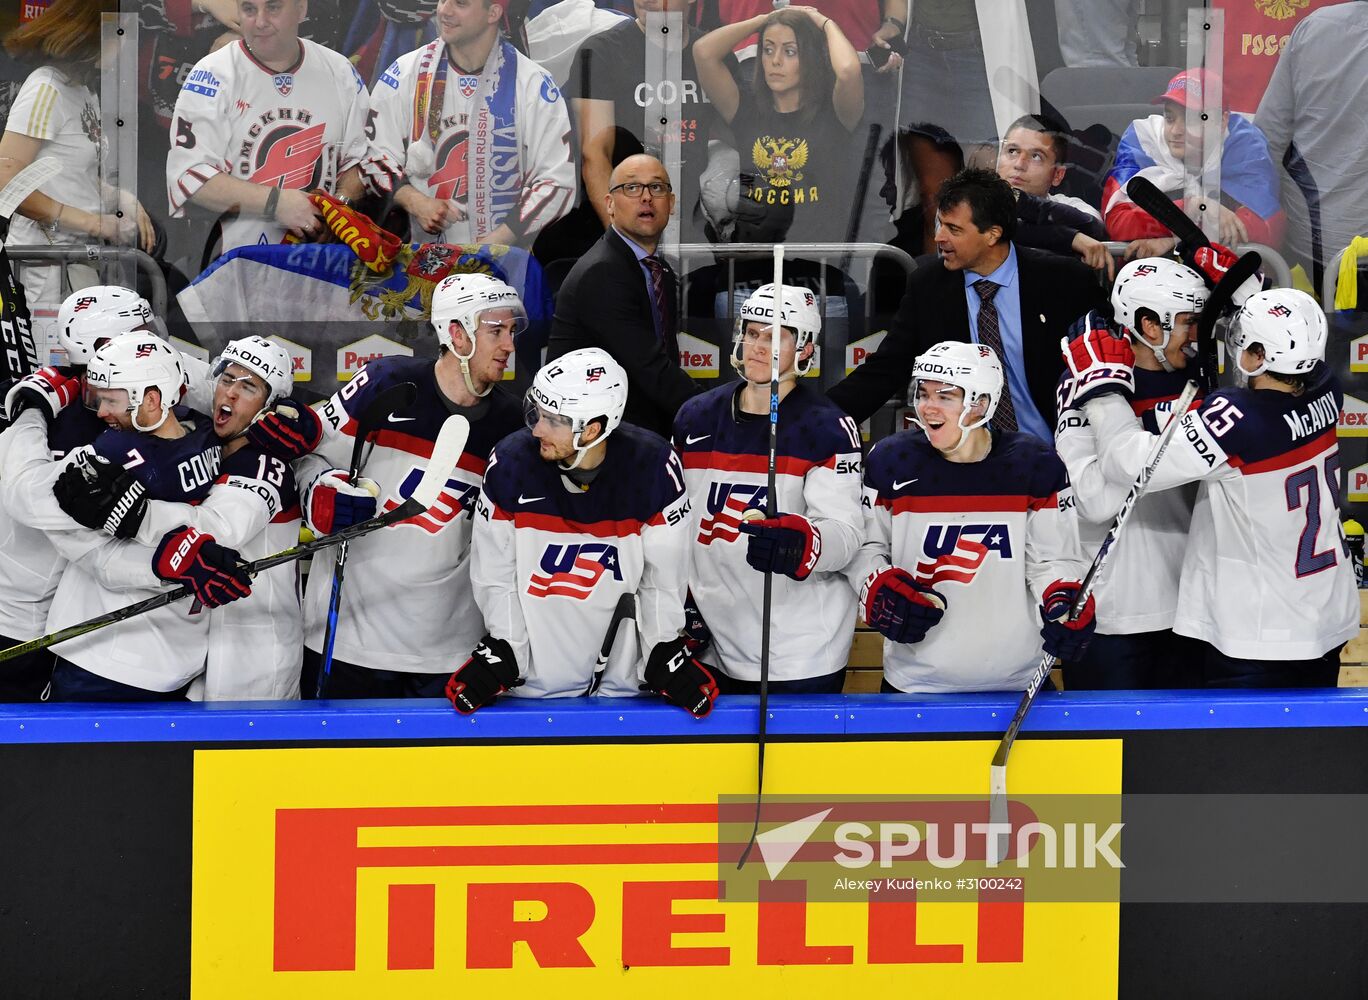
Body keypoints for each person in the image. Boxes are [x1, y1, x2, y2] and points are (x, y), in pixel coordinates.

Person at [1061, 287, 1357, 687]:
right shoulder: (1327, 388)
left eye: (1244, 341)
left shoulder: (1238, 419)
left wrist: (1104, 390)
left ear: (1257, 357)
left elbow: (1125, 462)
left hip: (1261, 635)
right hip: (1326, 617)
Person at [294, 271, 524, 698]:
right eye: (496, 331)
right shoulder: (386, 384)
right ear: (457, 334)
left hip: (449, 652)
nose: (509, 345)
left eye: (512, 331)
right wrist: (319, 492)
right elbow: (307, 454)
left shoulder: (513, 426)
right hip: (348, 641)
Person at [448, 348, 714, 716]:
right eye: (537, 413)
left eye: (553, 420)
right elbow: (495, 575)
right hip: (530, 690)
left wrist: (661, 648)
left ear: (592, 429)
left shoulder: (653, 468)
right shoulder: (510, 463)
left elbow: (662, 581)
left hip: (623, 693)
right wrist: (507, 647)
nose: (537, 429)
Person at [1, 333, 252, 701]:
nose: (101, 413)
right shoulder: (203, 433)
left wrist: (32, 407)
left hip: (98, 655)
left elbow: (23, 494)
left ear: (150, 399)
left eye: (111, 400)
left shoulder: (107, 461)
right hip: (181, 659)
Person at [52, 336, 305, 700]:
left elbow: (219, 529)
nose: (231, 393)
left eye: (248, 387)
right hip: (188, 656)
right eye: (227, 379)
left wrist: (137, 513)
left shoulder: (267, 466)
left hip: (253, 656)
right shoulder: (198, 433)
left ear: (271, 406)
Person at [845, 340, 1094, 694]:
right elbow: (865, 547)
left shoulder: (1035, 464)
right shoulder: (891, 461)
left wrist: (1061, 597)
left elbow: (1053, 560)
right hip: (914, 683)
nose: (928, 407)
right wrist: (876, 583)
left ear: (981, 403)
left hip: (1019, 683)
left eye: (945, 396)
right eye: (923, 393)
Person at [673, 284, 864, 694]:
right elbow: (677, 524)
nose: (758, 346)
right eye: (752, 332)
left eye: (775, 337)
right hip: (712, 642)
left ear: (806, 348)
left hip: (798, 652)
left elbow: (847, 536)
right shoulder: (695, 418)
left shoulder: (827, 427)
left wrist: (805, 541)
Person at [828, 168, 1105, 440]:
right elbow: (885, 370)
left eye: (954, 229)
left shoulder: (1065, 282)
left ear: (992, 234)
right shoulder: (928, 286)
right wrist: (818, 420)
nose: (939, 238)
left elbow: (1106, 364)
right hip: (964, 456)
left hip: (1054, 452)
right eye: (940, 224)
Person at [1054, 258, 1209, 689]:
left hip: (1192, 609)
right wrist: (1106, 395)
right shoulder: (1084, 380)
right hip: (1114, 613)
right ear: (1150, 325)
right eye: (1188, 322)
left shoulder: (1203, 378)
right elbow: (1093, 501)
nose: (1197, 335)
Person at [0, 286, 155, 700]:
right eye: (141, 335)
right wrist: (29, 409)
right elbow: (29, 498)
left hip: (63, 622)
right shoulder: (55, 415)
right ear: (104, 345)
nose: (152, 345)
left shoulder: (123, 406)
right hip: (16, 619)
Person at [0, 0, 156, 356]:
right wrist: (93, 222)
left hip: (74, 260)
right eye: (117, 34)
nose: (123, 45)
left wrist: (120, 198)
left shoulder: (83, 91)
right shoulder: (46, 88)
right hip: (43, 265)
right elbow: (6, 178)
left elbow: (72, 171)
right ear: (87, 33)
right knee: (50, 368)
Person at [362, 0, 576, 247]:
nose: (444, 10)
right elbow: (374, 156)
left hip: (503, 261)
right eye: (443, 0)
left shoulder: (533, 84)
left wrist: (494, 243)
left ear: (493, 13)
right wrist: (416, 202)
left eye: (460, 3)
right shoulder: (404, 73)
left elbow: (557, 181)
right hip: (419, 259)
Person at [165, 0, 372, 255]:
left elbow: (362, 158)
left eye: (273, 8)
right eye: (249, 9)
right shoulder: (210, 74)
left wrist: (339, 210)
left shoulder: (340, 71)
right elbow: (190, 177)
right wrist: (276, 203)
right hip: (234, 260)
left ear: (301, 9)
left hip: (322, 261)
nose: (260, 22)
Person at [547, 154, 699, 439]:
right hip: (591, 438)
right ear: (609, 204)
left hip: (641, 432)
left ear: (671, 203)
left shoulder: (659, 271)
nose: (646, 197)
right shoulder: (602, 272)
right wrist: (716, 413)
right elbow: (649, 367)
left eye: (656, 187)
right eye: (632, 188)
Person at [693, 4, 864, 243]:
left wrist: (824, 23)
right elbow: (703, 51)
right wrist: (765, 19)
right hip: (755, 254)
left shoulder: (834, 113)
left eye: (790, 51)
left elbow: (848, 70)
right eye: (768, 49)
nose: (775, 61)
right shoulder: (745, 108)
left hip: (817, 256)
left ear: (811, 58)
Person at [569, 0, 727, 246]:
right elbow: (595, 156)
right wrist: (626, 243)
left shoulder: (713, 55)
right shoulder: (600, 52)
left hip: (697, 227)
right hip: (623, 223)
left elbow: (743, 138)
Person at [1103, 69, 1285, 251]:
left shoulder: (1243, 141)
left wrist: (1177, 239)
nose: (1175, 131)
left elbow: (1268, 225)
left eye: (1190, 120)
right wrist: (1193, 207)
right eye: (1169, 118)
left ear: (1222, 122)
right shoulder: (1143, 141)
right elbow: (1117, 223)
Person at [1255, 2, 1368, 286]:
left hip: (1316, 242)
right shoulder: (1316, 26)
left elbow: (1268, 135)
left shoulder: (1316, 26)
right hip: (1321, 242)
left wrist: (1268, 230)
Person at [996, 113, 1113, 279]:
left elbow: (1093, 227)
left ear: (1058, 174)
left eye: (1036, 156)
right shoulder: (971, 201)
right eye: (1012, 151)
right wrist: (1071, 238)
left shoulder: (1071, 206)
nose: (1019, 164)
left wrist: (1021, 202)